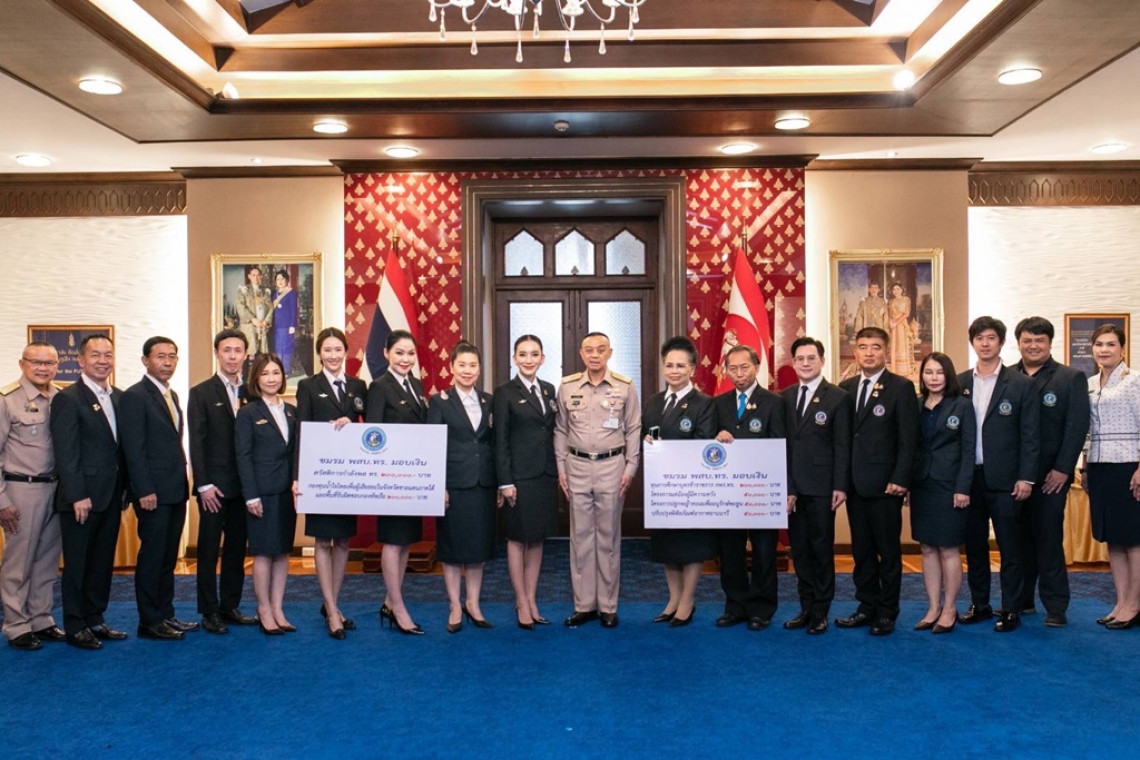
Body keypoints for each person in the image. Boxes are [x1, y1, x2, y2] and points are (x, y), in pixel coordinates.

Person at [957, 316, 1039, 633]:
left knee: (1010, 548)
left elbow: (1031, 436)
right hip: (970, 479)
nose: (985, 343)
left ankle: (1011, 608)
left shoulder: (1021, 384)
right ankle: (980, 604)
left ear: (1001, 343)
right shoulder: (960, 383)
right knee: (974, 546)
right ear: (973, 343)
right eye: (979, 338)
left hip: (1007, 481)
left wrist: (1026, 478)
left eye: (991, 337)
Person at [554, 332, 641, 628]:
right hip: (576, 466)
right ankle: (584, 605)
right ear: (581, 353)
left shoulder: (625, 386)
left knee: (608, 537)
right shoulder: (567, 386)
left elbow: (634, 428)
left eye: (600, 350)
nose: (594, 355)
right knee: (580, 538)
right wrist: (561, 468)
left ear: (609, 353)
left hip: (612, 467)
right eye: (589, 350)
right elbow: (560, 430)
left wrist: (631, 467)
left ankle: (608, 606)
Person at [836, 326, 919, 636]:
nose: (869, 353)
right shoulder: (845, 387)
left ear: (886, 352)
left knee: (888, 552)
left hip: (886, 486)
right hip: (855, 484)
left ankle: (887, 612)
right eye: (863, 347)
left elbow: (909, 440)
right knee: (862, 552)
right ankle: (865, 606)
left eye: (875, 347)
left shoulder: (901, 387)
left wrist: (901, 478)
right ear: (854, 352)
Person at [50, 334, 129, 650]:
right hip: (81, 498)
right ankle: (75, 625)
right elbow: (66, 452)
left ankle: (96, 618)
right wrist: (77, 494)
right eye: (96, 355)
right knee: (78, 564)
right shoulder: (68, 399)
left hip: (111, 495)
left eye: (108, 355)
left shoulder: (119, 397)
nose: (103, 361)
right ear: (81, 360)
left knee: (102, 562)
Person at [1013, 316, 1090, 627]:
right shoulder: (1008, 377)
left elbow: (1077, 426)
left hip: (1051, 478)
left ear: (1049, 343)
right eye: (1027, 340)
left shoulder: (1070, 378)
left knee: (1048, 540)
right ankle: (1021, 600)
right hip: (1014, 476)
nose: (1033, 346)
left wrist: (1062, 468)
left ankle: (1056, 606)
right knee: (1017, 541)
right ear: (1019, 343)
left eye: (1039, 340)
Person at [119, 336, 197, 641]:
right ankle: (150, 621)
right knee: (153, 556)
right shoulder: (135, 396)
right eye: (160, 356)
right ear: (145, 360)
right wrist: (143, 489)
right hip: (152, 492)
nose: (167, 362)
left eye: (172, 356)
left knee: (168, 556)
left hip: (174, 488)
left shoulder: (171, 394)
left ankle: (166, 613)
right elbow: (133, 448)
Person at [296, 327, 366, 639]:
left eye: (338, 349)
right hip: (320, 475)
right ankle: (332, 609)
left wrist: (354, 423)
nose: (333, 355)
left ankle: (332, 604)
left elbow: (370, 429)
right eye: (327, 350)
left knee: (344, 541)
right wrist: (298, 476)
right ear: (319, 354)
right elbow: (301, 431)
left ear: (346, 352)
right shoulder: (308, 386)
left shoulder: (358, 385)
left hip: (348, 477)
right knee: (323, 541)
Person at [642, 336, 717, 628]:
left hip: (690, 486)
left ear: (692, 369)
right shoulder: (653, 402)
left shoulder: (704, 404)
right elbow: (645, 436)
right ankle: (673, 599)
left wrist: (668, 449)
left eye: (680, 366)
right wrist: (648, 442)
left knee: (690, 545)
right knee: (667, 545)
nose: (674, 371)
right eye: (669, 365)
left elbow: (704, 443)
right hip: (661, 486)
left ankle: (687, 601)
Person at [188, 328, 257, 635]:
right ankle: (208, 610)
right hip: (213, 489)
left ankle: (230, 606)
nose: (232, 356)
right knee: (207, 551)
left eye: (238, 350)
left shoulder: (253, 393)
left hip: (244, 487)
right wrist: (203, 484)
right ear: (217, 353)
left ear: (246, 355)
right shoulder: (201, 393)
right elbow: (197, 442)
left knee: (236, 550)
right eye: (226, 350)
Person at [780, 337, 851, 635]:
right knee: (799, 551)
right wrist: (787, 487)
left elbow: (842, 445)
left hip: (823, 488)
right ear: (793, 362)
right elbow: (783, 444)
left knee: (821, 550)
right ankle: (806, 607)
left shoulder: (838, 397)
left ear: (822, 360)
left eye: (811, 358)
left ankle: (821, 610)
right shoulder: (785, 397)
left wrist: (840, 485)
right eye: (800, 358)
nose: (806, 363)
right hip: (792, 489)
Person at [712, 344, 786, 630]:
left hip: (762, 490)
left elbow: (780, 446)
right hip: (728, 492)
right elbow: (707, 446)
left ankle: (761, 609)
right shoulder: (718, 403)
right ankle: (735, 606)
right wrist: (716, 437)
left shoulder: (774, 402)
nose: (739, 373)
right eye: (733, 368)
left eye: (745, 367)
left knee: (764, 551)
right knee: (730, 552)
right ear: (726, 371)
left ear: (756, 367)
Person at [428, 342, 497, 633]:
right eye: (462, 365)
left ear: (479, 369)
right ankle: (455, 605)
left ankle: (473, 603)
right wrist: (439, 485)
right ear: (452, 368)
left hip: (483, 483)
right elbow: (433, 445)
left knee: (478, 547)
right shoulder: (439, 401)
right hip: (453, 484)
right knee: (453, 548)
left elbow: (492, 442)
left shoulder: (489, 401)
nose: (467, 371)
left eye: (473, 365)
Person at [1, 342, 64, 651]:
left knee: (47, 560)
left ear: (57, 366)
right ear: (22, 364)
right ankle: (16, 625)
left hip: (56, 489)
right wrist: (2, 501)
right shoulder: (7, 400)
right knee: (19, 562)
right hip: (21, 490)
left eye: (49, 363)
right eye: (36, 362)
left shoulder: (61, 397)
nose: (43, 368)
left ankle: (40, 618)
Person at [365, 329, 428, 635]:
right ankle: (399, 607)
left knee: (405, 541)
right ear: (386, 353)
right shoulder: (379, 387)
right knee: (392, 541)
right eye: (399, 353)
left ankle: (391, 601)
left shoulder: (416, 384)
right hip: (391, 478)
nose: (406, 359)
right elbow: (374, 436)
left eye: (410, 353)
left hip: (413, 477)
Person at [493, 334, 558, 630]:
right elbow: (500, 440)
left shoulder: (548, 389)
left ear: (542, 358)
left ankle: (532, 599)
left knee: (537, 538)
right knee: (517, 538)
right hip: (518, 477)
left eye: (534, 354)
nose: (528, 360)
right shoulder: (504, 392)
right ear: (514, 358)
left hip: (545, 475)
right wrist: (505, 481)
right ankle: (520, 600)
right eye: (523, 354)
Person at [910, 352, 975, 634]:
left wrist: (963, 487)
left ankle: (950, 608)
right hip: (922, 484)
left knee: (948, 548)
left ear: (948, 375)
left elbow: (968, 450)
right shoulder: (915, 405)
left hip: (950, 487)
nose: (934, 378)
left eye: (939, 372)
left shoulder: (962, 405)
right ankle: (933, 606)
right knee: (927, 547)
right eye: (928, 372)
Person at [235, 353, 299, 635]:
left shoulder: (291, 411)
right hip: (261, 493)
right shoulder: (248, 413)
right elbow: (243, 456)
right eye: (265, 374)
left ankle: (278, 607)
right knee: (263, 553)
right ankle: (263, 608)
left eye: (276, 373)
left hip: (286, 492)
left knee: (282, 552)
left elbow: (296, 451)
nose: (271, 379)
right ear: (256, 379)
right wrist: (251, 495)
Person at [1084, 324, 1140, 630]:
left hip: (1128, 465)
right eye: (1099, 344)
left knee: (1133, 538)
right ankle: (1120, 602)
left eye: (1110, 344)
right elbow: (1087, 431)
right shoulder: (1090, 384)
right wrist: (1085, 467)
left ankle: (1134, 604)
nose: (1104, 350)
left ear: (1122, 349)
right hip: (1099, 466)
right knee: (1113, 538)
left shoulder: (1134, 381)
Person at [236, 266, 272, 356]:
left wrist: (266, 321)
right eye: (253, 275)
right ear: (249, 276)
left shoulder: (265, 291)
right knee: (249, 352)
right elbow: (240, 307)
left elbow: (270, 308)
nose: (256, 278)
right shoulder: (243, 290)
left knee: (262, 354)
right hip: (249, 326)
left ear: (261, 276)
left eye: (258, 275)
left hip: (262, 326)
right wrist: (253, 319)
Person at [887, 283, 916, 379]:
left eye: (898, 289)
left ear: (902, 290)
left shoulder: (906, 300)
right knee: (895, 346)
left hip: (902, 326)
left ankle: (904, 370)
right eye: (894, 289)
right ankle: (895, 370)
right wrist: (891, 323)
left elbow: (906, 314)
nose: (896, 291)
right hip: (894, 327)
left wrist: (896, 323)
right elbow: (890, 314)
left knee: (902, 346)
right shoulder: (892, 302)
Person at [271, 270, 298, 375]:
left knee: (286, 348)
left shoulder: (291, 293)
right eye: (278, 279)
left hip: (286, 325)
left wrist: (292, 325)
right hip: (276, 326)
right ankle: (278, 370)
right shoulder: (274, 294)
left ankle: (286, 371)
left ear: (287, 280)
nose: (280, 281)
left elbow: (293, 310)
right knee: (277, 348)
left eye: (282, 279)